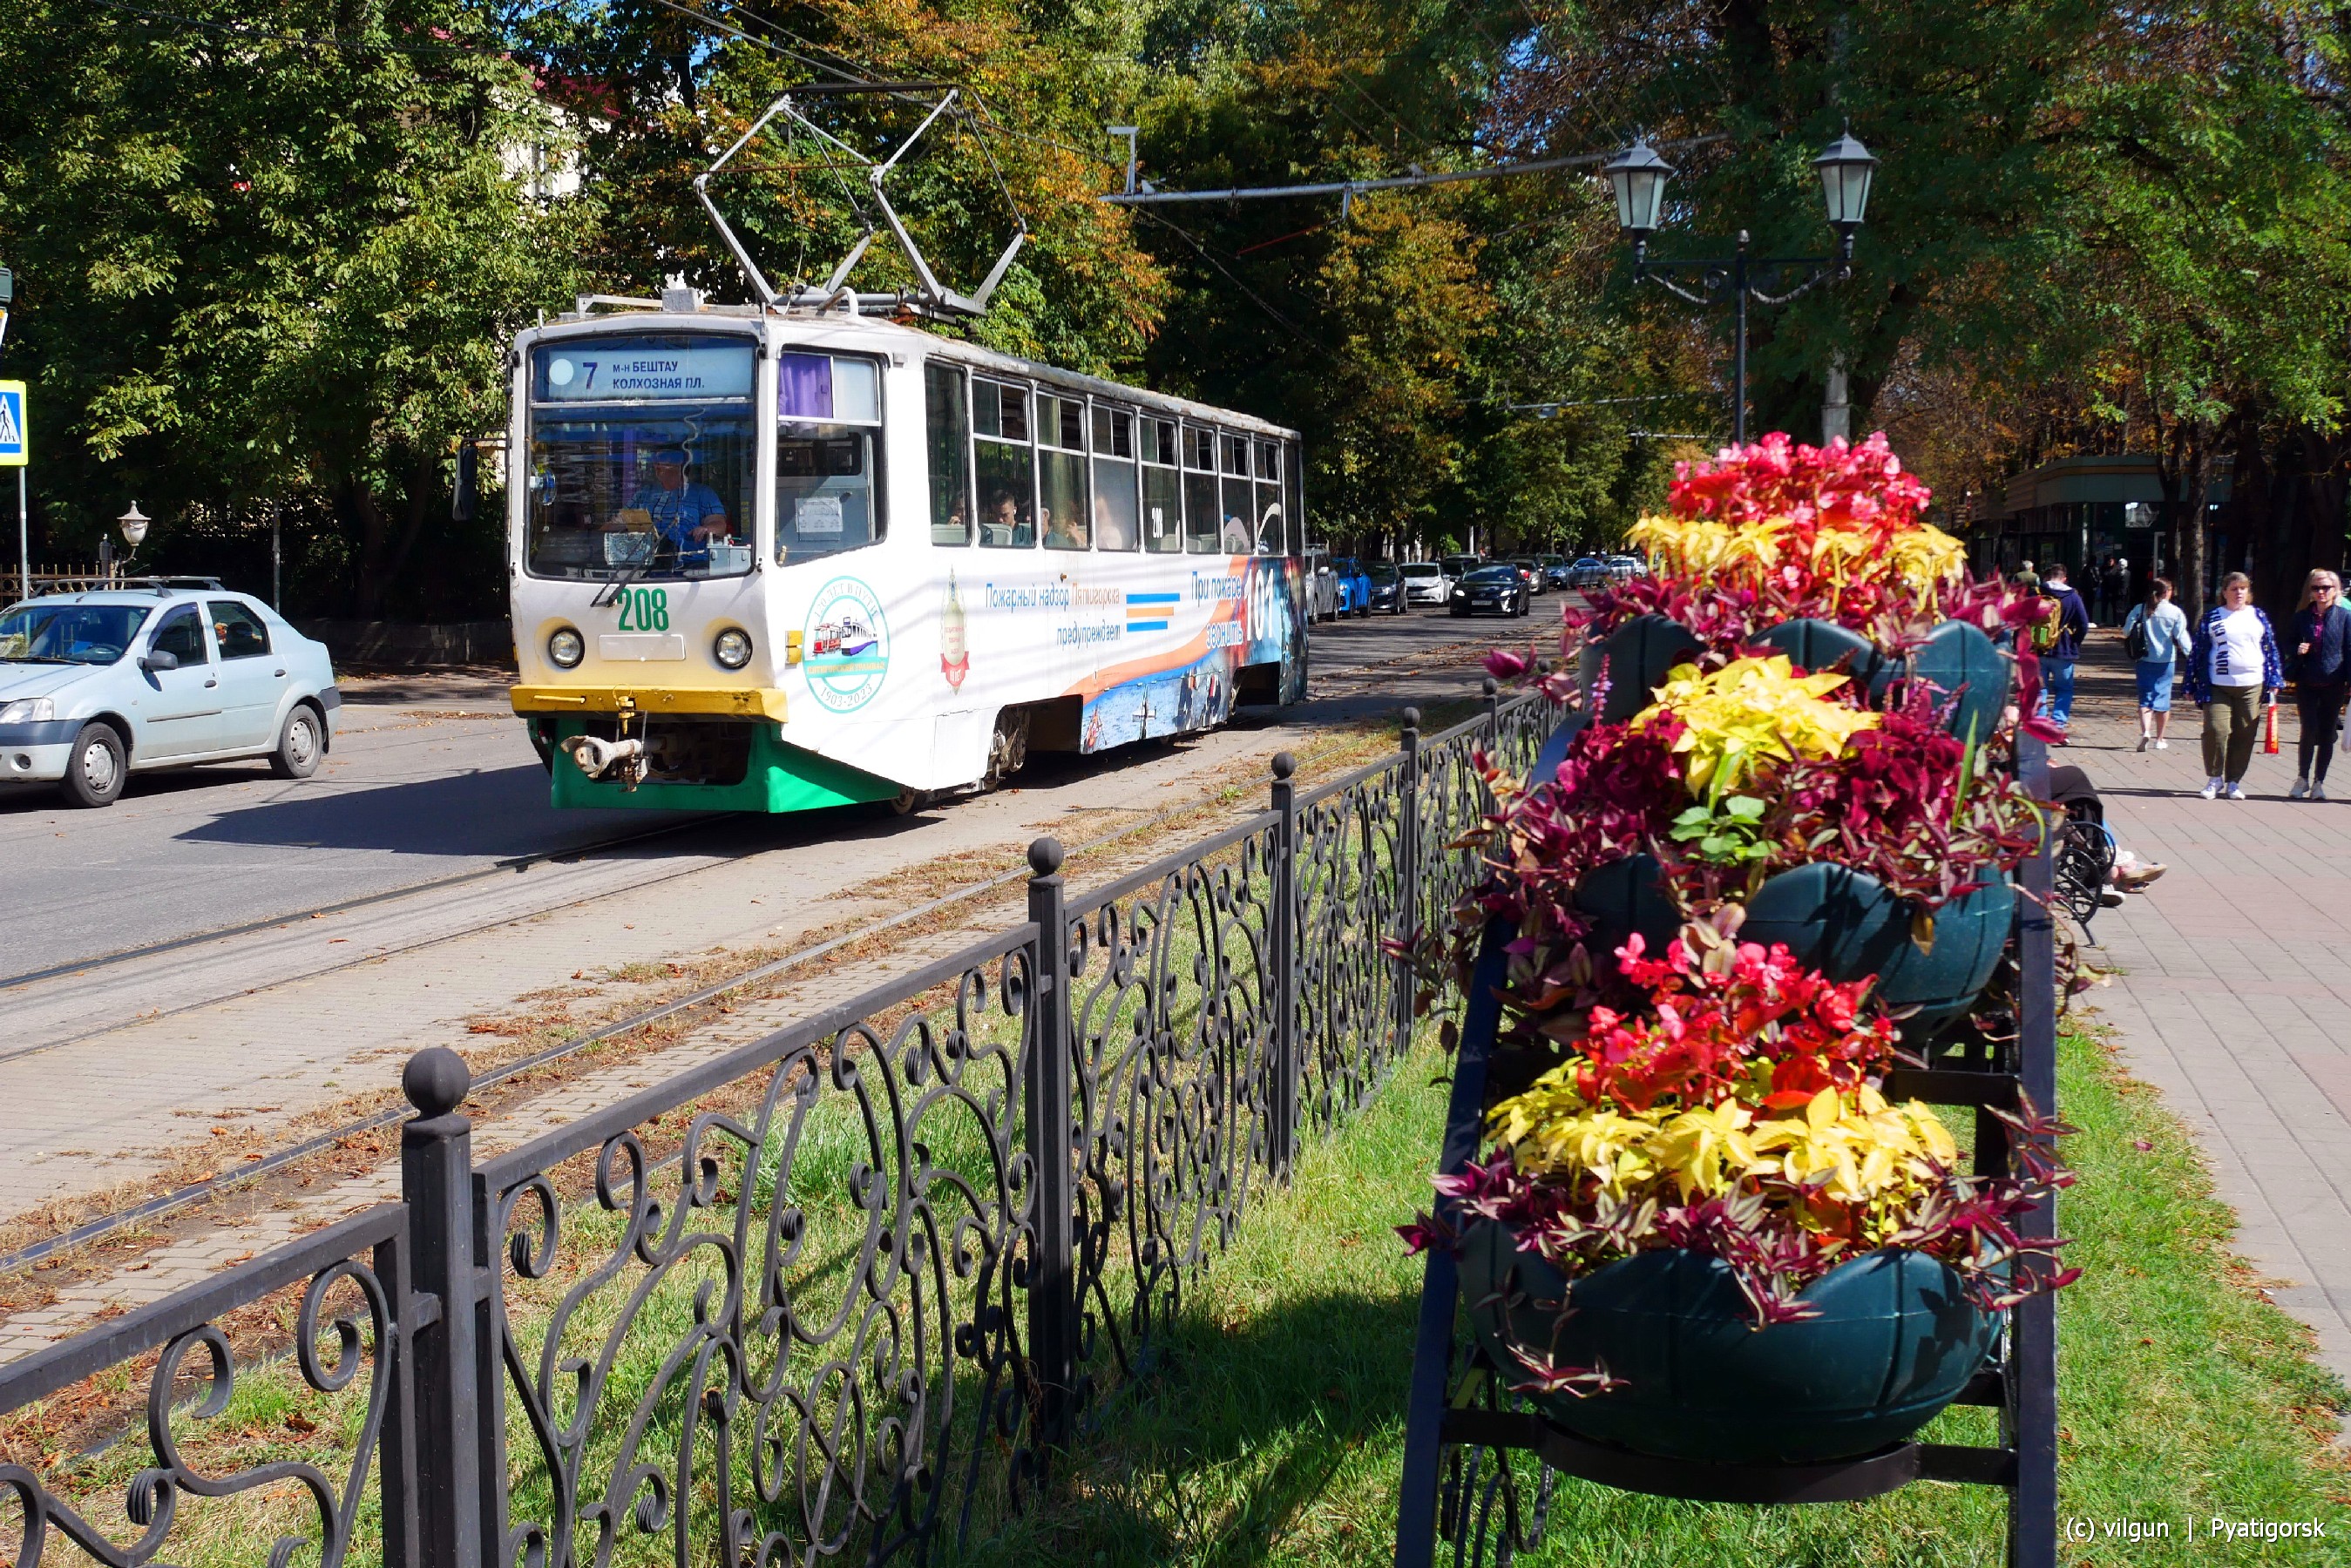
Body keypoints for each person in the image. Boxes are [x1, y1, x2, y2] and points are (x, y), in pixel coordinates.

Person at [2185, 571, 2283, 801]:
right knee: (2216, 731)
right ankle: (2214, 778)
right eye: (2234, 588)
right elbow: (2198, 651)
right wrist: (2190, 682)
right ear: (2224, 592)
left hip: (2252, 685)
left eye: (2243, 588)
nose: (2239, 593)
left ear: (2248, 592)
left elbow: (2270, 648)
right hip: (2218, 684)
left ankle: (2234, 781)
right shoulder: (2213, 618)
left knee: (2245, 734)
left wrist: (2276, 679)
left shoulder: (2257, 616)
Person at [2285, 568, 2351, 800]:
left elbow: (2349, 650)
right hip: (2307, 682)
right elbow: (2289, 644)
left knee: (2327, 734)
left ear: (2335, 590)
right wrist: (2297, 649)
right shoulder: (2301, 617)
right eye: (2316, 588)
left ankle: (2319, 783)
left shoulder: (2345, 617)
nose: (2321, 592)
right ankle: (2302, 778)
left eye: (2326, 588)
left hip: (2334, 682)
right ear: (2310, 592)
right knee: (2308, 730)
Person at [2121, 577, 2191, 752]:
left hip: (2144, 659)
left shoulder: (2140, 608)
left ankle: (2146, 731)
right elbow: (2182, 637)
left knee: (2145, 699)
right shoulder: (2175, 612)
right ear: (2167, 592)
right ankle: (2160, 739)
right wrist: (2192, 656)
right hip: (2166, 660)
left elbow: (2126, 630)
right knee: (2163, 699)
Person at [2036, 564, 2091, 737]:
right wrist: (2074, 642)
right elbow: (2083, 624)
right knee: (2064, 689)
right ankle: (2058, 724)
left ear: (2047, 577)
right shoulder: (2072, 597)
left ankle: (2040, 722)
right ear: (2064, 578)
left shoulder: (2036, 593)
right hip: (2064, 650)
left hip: (2038, 648)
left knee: (2039, 689)